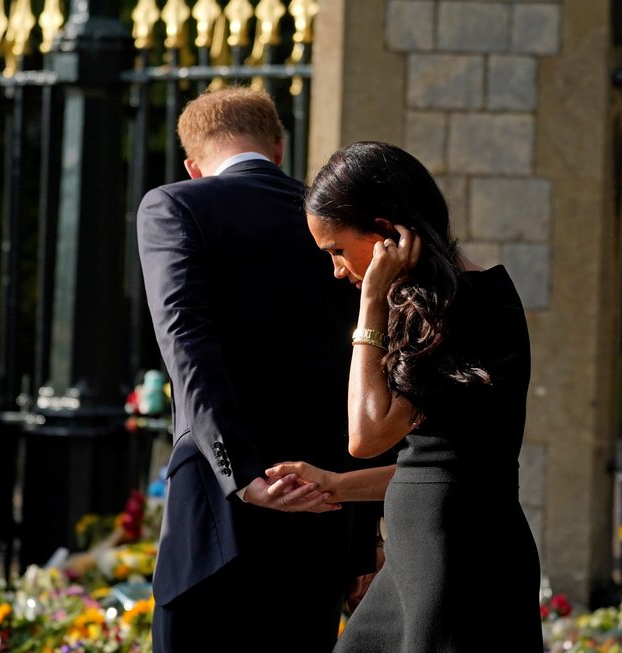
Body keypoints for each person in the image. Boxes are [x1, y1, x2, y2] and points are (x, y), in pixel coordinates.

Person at [266, 141, 544, 652]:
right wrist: (333, 485)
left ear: (387, 232)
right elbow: (434, 464)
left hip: (458, 557)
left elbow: (367, 435)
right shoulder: (441, 304)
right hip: (428, 553)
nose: (336, 269)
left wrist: (371, 303)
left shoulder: (467, 306)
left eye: (337, 251)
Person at [135, 86, 382, 652]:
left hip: (217, 520)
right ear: (279, 148)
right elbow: (370, 360)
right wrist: (363, 540)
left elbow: (185, 342)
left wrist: (243, 474)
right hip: (325, 515)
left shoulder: (175, 205)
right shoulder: (333, 223)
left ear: (194, 166)